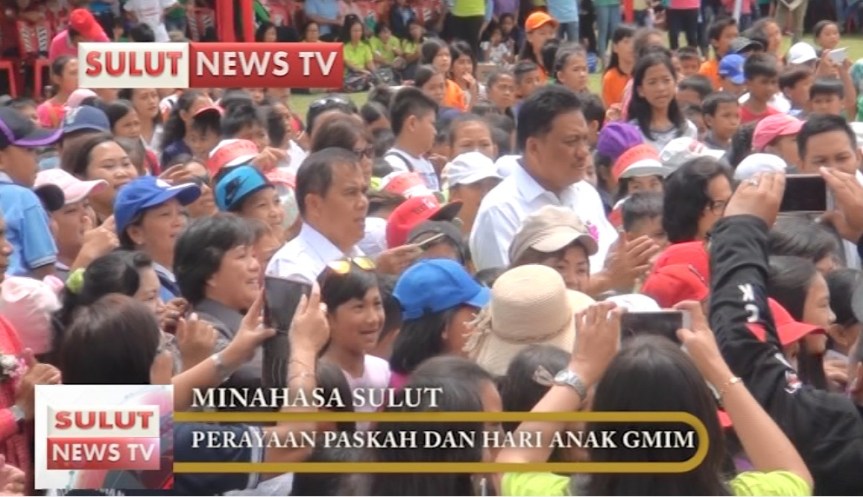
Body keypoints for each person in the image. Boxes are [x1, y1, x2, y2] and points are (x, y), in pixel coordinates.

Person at [710, 170, 863, 493]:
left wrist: (740, 231)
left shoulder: (835, 425)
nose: (832, 317)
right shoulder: (838, 424)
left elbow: (745, 347)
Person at [471, 86, 618, 273]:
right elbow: (511, 288)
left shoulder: (586, 193)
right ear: (534, 147)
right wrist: (606, 281)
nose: (583, 152)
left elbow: (609, 258)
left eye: (585, 141)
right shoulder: (501, 210)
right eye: (571, 141)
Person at [175, 214, 262, 388]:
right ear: (209, 274)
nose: (255, 265)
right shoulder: (205, 333)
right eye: (242, 256)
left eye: (253, 255)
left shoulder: (248, 319)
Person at [266, 148, 368, 284]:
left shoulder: (356, 255)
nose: (363, 203)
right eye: (351, 192)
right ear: (314, 204)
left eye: (364, 191)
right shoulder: (293, 270)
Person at [114, 176, 201, 301]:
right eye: (165, 214)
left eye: (181, 213)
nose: (179, 222)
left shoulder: (194, 273)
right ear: (135, 233)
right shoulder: (134, 289)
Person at [0, 108, 62, 279]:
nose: (36, 158)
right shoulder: (23, 198)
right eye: (29, 150)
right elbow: (46, 272)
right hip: (17, 292)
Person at [34, 169, 109, 281]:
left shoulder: (110, 257)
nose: (85, 216)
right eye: (71, 210)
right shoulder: (37, 278)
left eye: (86, 205)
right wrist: (86, 257)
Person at [383, 87, 440, 190]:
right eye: (432, 124)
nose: (435, 132)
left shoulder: (426, 162)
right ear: (412, 123)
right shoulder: (394, 165)